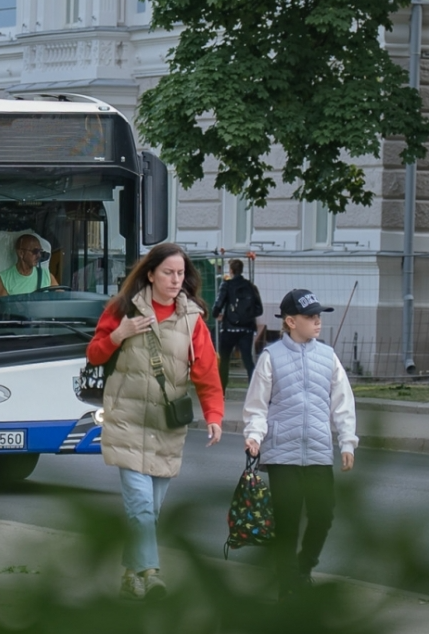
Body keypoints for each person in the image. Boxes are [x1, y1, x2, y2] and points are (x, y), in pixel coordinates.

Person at [86, 243, 225, 600]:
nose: (176, 279)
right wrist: (121, 333)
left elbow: (206, 371)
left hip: (166, 425)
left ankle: (131, 575)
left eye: (181, 273)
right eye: (168, 272)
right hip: (127, 420)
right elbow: (95, 354)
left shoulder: (192, 318)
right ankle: (151, 574)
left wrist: (214, 416)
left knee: (151, 511)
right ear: (150, 274)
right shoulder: (122, 309)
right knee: (142, 507)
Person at [241, 288, 358, 598]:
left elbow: (342, 403)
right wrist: (254, 436)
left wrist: (347, 442)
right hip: (282, 453)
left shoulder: (328, 356)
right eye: (310, 317)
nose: (317, 322)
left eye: (319, 316)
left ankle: (304, 567)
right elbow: (257, 405)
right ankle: (287, 582)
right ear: (290, 321)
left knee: (324, 514)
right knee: (288, 519)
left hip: (319, 451)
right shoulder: (271, 358)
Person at [214, 258, 264, 392]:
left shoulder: (227, 285)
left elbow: (218, 304)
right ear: (241, 270)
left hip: (228, 329)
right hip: (246, 329)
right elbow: (259, 310)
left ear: (231, 271)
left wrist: (216, 314)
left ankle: (221, 392)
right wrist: (246, 316)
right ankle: (254, 391)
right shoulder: (250, 286)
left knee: (224, 361)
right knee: (248, 360)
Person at [0, 233, 60, 298]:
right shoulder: (4, 279)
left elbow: (61, 299)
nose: (39, 255)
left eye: (40, 251)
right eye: (35, 251)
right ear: (21, 253)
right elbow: (2, 309)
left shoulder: (46, 275)